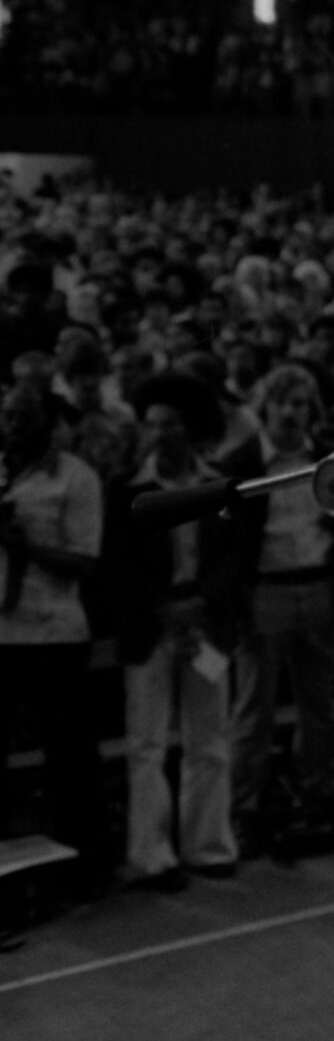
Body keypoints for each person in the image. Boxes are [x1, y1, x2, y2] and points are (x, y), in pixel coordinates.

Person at [116, 371, 241, 889]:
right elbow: (118, 565)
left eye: (170, 425)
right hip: (152, 627)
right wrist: (164, 608)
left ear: (189, 429)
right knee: (147, 743)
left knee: (208, 738)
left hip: (205, 624)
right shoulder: (128, 490)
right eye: (152, 426)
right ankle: (152, 855)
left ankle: (208, 845)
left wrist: (202, 602)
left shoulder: (218, 483)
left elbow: (236, 555)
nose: (160, 434)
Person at [221, 361, 334, 850]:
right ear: (265, 407)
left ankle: (314, 798)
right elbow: (228, 541)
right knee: (254, 709)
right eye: (283, 403)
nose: (292, 413)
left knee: (319, 706)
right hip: (265, 590)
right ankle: (242, 812)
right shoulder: (241, 461)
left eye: (300, 404)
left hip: (316, 586)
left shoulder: (325, 458)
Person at [0, 382, 109, 894]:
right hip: (2, 634)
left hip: (53, 635)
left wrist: (29, 545)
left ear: (47, 421)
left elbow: (86, 562)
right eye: (7, 416)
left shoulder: (75, 477)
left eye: (22, 417)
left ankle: (81, 868)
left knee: (69, 760)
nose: (11, 426)